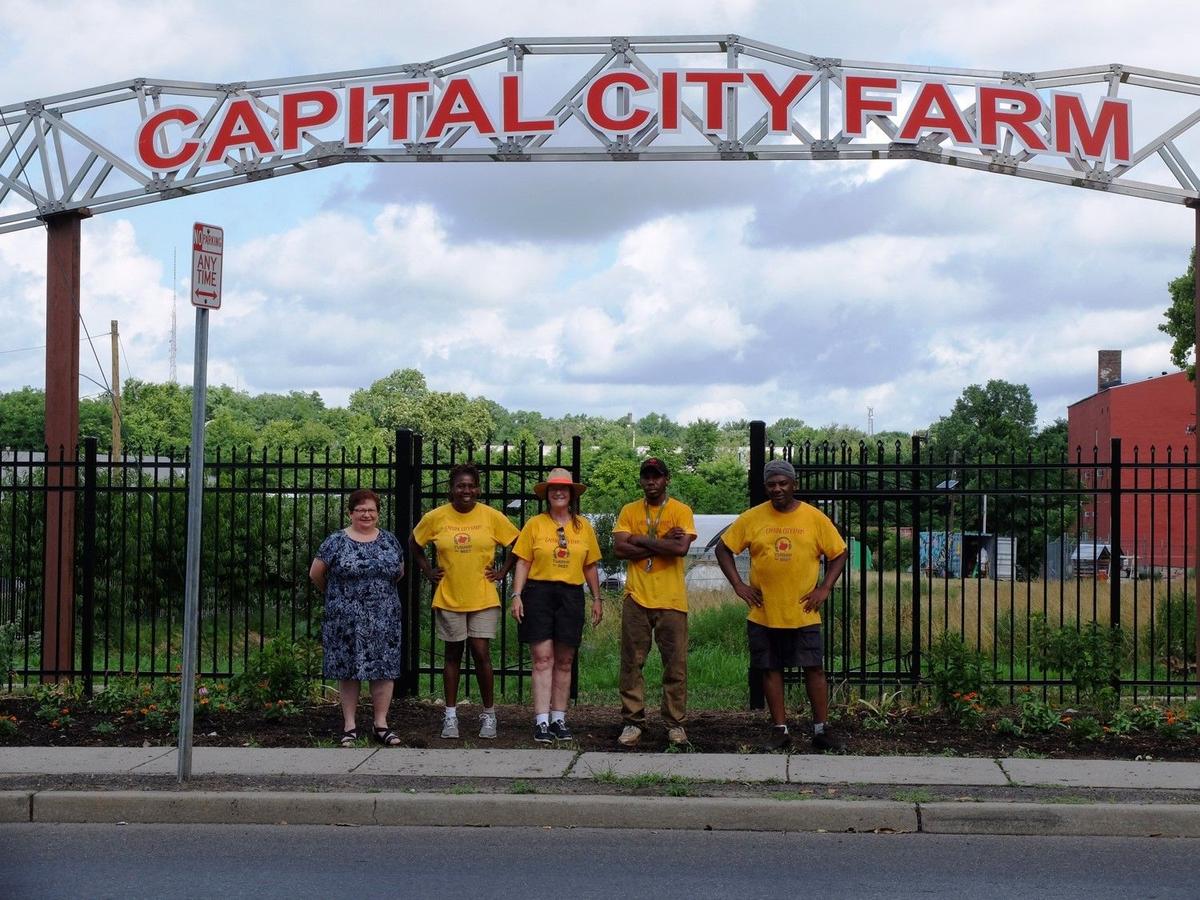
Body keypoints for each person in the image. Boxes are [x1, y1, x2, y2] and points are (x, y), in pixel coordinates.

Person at [715, 459, 848, 752]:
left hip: (804, 611)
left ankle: (821, 729)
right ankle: (780, 730)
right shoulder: (752, 518)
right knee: (769, 668)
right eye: (772, 484)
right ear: (766, 487)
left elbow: (839, 553)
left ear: (794, 485)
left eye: (783, 483)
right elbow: (722, 548)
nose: (777, 489)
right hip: (764, 611)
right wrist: (739, 585)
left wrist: (824, 587)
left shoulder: (814, 518)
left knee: (813, 668)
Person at [410, 463, 519, 740]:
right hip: (449, 595)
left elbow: (519, 544)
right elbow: (413, 543)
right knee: (452, 655)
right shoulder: (435, 517)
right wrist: (427, 570)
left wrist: (503, 572)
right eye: (461, 486)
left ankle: (489, 715)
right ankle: (450, 716)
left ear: (478, 489)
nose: (466, 490)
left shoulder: (491, 516)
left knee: (481, 653)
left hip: (483, 595)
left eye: (471, 486)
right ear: (452, 488)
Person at [510, 467, 603, 743]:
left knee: (565, 660)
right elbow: (523, 562)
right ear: (547, 494)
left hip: (571, 594)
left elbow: (590, 565)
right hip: (539, 593)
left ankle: (559, 718)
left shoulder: (583, 526)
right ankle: (541, 721)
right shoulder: (535, 524)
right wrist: (516, 595)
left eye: (564, 489)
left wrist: (597, 598)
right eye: (553, 489)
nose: (559, 492)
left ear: (572, 494)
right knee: (542, 659)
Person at [309, 488, 405, 748]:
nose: (366, 514)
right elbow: (316, 574)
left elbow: (398, 573)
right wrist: (339, 598)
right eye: (360, 509)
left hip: (384, 619)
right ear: (350, 513)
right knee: (348, 670)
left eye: (371, 510)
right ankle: (349, 726)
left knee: (383, 670)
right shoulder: (335, 541)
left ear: (378, 513)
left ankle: (381, 724)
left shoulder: (389, 541)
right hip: (345, 620)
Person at [612, 457, 697, 747]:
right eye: (646, 476)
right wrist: (663, 542)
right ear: (641, 480)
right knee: (632, 664)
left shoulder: (681, 511)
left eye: (656, 476)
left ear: (666, 480)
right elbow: (619, 549)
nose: (651, 481)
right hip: (636, 597)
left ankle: (675, 725)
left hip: (672, 600)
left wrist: (640, 539)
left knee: (675, 665)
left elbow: (681, 548)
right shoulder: (629, 510)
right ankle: (633, 722)